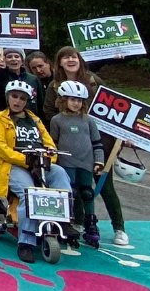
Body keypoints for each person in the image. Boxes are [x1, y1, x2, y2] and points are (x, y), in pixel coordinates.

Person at [43, 46, 129, 246]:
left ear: (79, 59)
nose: (70, 60)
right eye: (65, 58)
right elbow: (47, 111)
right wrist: (64, 122)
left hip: (98, 141)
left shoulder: (93, 80)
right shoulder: (54, 85)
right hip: (68, 143)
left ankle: (119, 228)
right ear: (59, 63)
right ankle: (80, 222)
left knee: (104, 184)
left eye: (73, 57)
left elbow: (114, 106)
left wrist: (123, 135)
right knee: (75, 187)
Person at [0, 79, 73, 264]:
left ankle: (64, 221)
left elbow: (50, 145)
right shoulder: (0, 119)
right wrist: (27, 161)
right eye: (14, 96)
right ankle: (26, 242)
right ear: (7, 97)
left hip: (39, 164)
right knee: (29, 193)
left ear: (27, 101)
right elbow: (1, 148)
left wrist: (47, 159)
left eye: (22, 98)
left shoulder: (35, 120)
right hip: (13, 165)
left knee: (60, 174)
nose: (18, 101)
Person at [50, 80, 104, 245]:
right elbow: (53, 143)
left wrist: (99, 161)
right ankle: (68, 224)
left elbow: (97, 143)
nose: (76, 103)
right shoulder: (57, 120)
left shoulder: (88, 120)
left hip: (86, 162)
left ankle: (91, 225)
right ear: (63, 100)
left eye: (79, 100)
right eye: (72, 99)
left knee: (87, 193)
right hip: (67, 162)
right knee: (70, 193)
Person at [0, 48, 44, 114]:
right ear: (5, 60)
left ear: (22, 60)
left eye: (17, 56)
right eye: (9, 57)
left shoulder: (33, 79)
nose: (13, 59)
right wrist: (1, 72)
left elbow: (40, 102)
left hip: (31, 119)